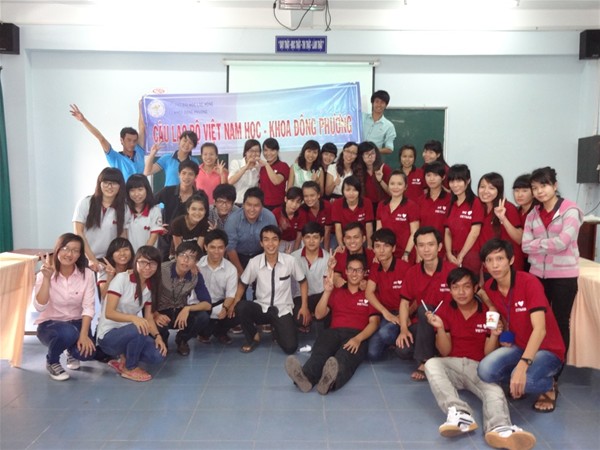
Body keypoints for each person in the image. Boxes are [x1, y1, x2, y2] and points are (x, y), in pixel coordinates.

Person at [424, 267, 536, 450]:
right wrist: (440, 328)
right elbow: (445, 352)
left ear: (476, 288)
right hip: (452, 365)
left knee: (495, 392)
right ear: (450, 290)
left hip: (479, 368)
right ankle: (460, 414)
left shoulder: (488, 313)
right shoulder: (444, 310)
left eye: (466, 286)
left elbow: (488, 355)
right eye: (455, 287)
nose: (461, 292)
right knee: (431, 364)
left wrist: (494, 335)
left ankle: (500, 428)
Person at [478, 238, 566, 414]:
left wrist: (522, 365)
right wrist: (501, 328)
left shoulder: (529, 282)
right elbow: (501, 310)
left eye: (500, 258)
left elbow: (540, 330)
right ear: (484, 265)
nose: (494, 265)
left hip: (547, 349)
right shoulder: (490, 287)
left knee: (528, 381)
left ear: (511, 260)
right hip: (519, 346)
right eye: (489, 260)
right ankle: (518, 379)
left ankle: (549, 385)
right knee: (484, 371)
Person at [285, 254, 380, 394]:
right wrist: (327, 292)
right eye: (351, 269)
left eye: (359, 270)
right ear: (346, 271)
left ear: (364, 273)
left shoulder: (370, 294)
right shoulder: (336, 292)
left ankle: (330, 382)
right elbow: (319, 314)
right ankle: (305, 378)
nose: (354, 274)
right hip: (334, 332)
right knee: (320, 353)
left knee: (344, 357)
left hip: (356, 334)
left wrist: (358, 339)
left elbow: (374, 322)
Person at [521, 167, 583, 381]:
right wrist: (546, 244)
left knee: (559, 321)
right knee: (537, 322)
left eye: (544, 185)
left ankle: (556, 372)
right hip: (537, 275)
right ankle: (536, 363)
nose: (540, 191)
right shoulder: (533, 213)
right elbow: (524, 245)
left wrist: (537, 243)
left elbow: (563, 242)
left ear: (555, 185)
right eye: (535, 187)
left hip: (564, 276)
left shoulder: (570, 210)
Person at [233, 225, 309, 354]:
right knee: (241, 307)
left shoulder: (290, 261)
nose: (270, 244)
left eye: (274, 239)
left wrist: (304, 306)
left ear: (279, 242)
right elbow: (243, 283)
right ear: (261, 243)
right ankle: (253, 337)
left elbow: (303, 282)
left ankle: (277, 329)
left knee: (290, 348)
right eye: (266, 239)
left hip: (282, 309)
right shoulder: (254, 262)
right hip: (261, 307)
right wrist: (235, 302)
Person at [97, 246, 166, 382]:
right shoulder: (122, 279)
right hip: (109, 336)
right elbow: (109, 313)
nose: (147, 267)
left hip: (130, 333)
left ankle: (123, 359)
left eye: (152, 263)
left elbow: (149, 318)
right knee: (139, 327)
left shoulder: (151, 286)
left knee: (157, 356)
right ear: (136, 262)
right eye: (143, 262)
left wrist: (158, 336)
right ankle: (130, 367)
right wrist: (134, 318)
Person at [397, 226, 456, 381]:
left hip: (446, 326)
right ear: (416, 248)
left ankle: (425, 361)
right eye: (421, 245)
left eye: (431, 244)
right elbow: (404, 303)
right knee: (403, 350)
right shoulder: (412, 272)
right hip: (423, 325)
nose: (426, 249)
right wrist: (403, 329)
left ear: (439, 247)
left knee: (425, 309)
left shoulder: (452, 271)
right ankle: (433, 352)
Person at [34, 233, 96, 381]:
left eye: (75, 250)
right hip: (50, 325)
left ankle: (71, 351)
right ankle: (52, 361)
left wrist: (84, 335)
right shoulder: (45, 273)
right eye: (65, 248)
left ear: (80, 255)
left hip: (77, 322)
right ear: (57, 249)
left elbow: (88, 307)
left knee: (86, 353)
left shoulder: (87, 274)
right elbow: (39, 307)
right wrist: (47, 279)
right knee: (68, 333)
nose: (69, 254)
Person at [153, 241, 212, 356]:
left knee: (203, 316)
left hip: (181, 310)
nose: (186, 260)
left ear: (196, 262)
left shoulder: (196, 276)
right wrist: (155, 314)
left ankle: (182, 339)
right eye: (182, 255)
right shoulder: (161, 270)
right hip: (160, 311)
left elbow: (207, 304)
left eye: (191, 257)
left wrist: (187, 309)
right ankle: (162, 339)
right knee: (155, 328)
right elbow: (146, 296)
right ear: (176, 256)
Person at [365, 228, 411, 361]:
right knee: (372, 354)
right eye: (377, 246)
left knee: (385, 333)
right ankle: (393, 340)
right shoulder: (375, 267)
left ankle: (400, 339)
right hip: (389, 314)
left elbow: (416, 297)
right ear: (373, 249)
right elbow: (369, 292)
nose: (381, 250)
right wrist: (385, 313)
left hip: (405, 313)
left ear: (393, 248)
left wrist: (405, 315)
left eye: (386, 246)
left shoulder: (405, 267)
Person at [69, 104, 145, 181]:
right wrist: (83, 120)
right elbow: (100, 138)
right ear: (122, 140)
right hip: (124, 189)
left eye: (134, 141)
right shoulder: (115, 158)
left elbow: (142, 129)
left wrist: (141, 107)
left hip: (142, 188)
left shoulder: (139, 151)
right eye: (129, 140)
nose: (132, 143)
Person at [73, 167, 129, 271]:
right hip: (84, 257)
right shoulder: (86, 202)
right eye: (106, 182)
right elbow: (78, 232)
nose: (109, 187)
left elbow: (122, 236)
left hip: (109, 260)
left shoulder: (124, 208)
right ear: (100, 183)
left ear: (120, 186)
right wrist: (91, 258)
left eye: (114, 183)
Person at [197, 229, 239, 344]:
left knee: (239, 310)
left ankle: (221, 332)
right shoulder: (197, 266)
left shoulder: (231, 269)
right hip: (201, 305)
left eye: (220, 247)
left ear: (225, 248)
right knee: (201, 319)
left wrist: (225, 308)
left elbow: (230, 295)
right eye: (212, 247)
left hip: (220, 304)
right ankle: (203, 333)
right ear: (205, 247)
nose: (216, 251)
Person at [477, 172, 525, 273]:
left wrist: (503, 218)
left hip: (509, 267)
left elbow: (519, 239)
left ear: (499, 190)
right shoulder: (479, 208)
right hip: (489, 266)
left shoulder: (508, 208)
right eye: (482, 187)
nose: (485, 191)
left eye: (491, 188)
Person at [224, 187, 277, 277]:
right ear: (243, 204)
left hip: (261, 255)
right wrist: (242, 274)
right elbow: (230, 248)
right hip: (238, 256)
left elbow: (273, 243)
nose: (252, 209)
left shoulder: (270, 218)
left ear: (262, 206)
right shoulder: (232, 220)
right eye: (249, 205)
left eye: (256, 205)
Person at [291, 222, 331, 334]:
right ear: (302, 239)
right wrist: (304, 306)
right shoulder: (293, 257)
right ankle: (306, 321)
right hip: (300, 297)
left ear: (321, 239)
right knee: (300, 319)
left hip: (320, 296)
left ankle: (327, 331)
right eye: (308, 237)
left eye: (315, 237)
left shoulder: (328, 258)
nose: (311, 241)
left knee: (331, 310)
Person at [154, 160, 199, 260]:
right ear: (179, 174)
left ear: (196, 176)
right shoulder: (167, 191)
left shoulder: (198, 197)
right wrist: (155, 224)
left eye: (190, 174)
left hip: (188, 241)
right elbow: (149, 204)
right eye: (184, 173)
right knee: (163, 267)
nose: (186, 177)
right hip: (166, 239)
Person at [444, 164, 483, 274]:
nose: (455, 185)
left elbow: (474, 232)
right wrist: (449, 253)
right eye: (452, 181)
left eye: (459, 181)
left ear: (468, 180)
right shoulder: (450, 204)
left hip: (470, 256)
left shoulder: (476, 202)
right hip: (452, 256)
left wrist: (461, 255)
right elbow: (447, 231)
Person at [376, 170, 419, 262]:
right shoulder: (381, 205)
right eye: (392, 183)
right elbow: (379, 231)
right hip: (386, 254)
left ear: (405, 186)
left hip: (405, 255)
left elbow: (414, 232)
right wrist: (378, 251)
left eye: (399, 184)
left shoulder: (411, 206)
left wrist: (406, 253)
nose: (395, 187)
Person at [331, 176, 374, 248]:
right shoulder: (337, 204)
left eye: (354, 190)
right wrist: (341, 245)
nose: (351, 193)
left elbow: (369, 226)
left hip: (361, 238)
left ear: (359, 191)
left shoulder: (367, 202)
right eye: (347, 190)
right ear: (343, 191)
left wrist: (369, 245)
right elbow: (338, 228)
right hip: (344, 237)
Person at [418, 161, 450, 256]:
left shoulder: (450, 199)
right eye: (428, 175)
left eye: (436, 175)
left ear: (443, 177)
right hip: (424, 249)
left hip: (444, 249)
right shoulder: (420, 200)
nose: (431, 179)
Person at [125, 174, 164, 253]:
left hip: (148, 255)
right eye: (132, 190)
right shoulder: (125, 210)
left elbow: (154, 236)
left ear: (147, 190)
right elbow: (124, 235)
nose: (136, 194)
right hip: (129, 255)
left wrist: (142, 255)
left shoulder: (155, 210)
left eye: (140, 189)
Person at [332, 222, 376, 289]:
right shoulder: (339, 255)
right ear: (344, 240)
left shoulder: (372, 255)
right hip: (345, 292)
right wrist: (337, 279)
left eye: (356, 237)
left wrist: (369, 284)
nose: (352, 241)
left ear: (364, 239)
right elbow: (336, 275)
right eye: (348, 238)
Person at [358, 141, 391, 213]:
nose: (370, 157)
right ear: (361, 156)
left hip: (384, 206)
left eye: (372, 153)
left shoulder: (384, 169)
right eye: (366, 154)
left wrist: (380, 181)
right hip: (365, 207)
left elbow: (391, 193)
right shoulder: (358, 171)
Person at [512, 173, 536, 272]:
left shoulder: (537, 212)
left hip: (534, 259)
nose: (519, 194)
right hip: (519, 258)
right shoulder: (515, 211)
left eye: (524, 190)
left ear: (533, 192)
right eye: (516, 190)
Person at [300, 180, 332, 250]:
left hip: (327, 236)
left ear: (318, 195)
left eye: (312, 195)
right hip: (311, 236)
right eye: (306, 196)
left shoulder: (327, 206)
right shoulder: (302, 209)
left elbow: (327, 231)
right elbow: (305, 232)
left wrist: (326, 252)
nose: (309, 199)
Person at [259, 137, 290, 210]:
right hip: (263, 206)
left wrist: (266, 164)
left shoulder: (283, 166)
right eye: (265, 150)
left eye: (272, 150)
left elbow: (276, 181)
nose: (268, 153)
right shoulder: (261, 168)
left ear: (277, 151)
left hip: (279, 206)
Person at [272, 186, 305, 253]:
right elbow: (272, 233)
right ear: (285, 199)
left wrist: (295, 252)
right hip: (280, 240)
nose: (294, 205)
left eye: (298, 202)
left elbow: (299, 235)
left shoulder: (302, 214)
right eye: (292, 201)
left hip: (294, 240)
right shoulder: (276, 212)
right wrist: (280, 229)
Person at [228, 139, 261, 205]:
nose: (254, 154)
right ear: (245, 152)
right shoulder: (236, 163)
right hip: (237, 203)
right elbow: (230, 182)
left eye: (257, 151)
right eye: (251, 151)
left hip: (251, 204)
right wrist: (246, 167)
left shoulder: (259, 167)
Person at [362, 90, 396, 155]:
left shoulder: (389, 126)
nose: (379, 105)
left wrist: (372, 151)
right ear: (372, 103)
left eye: (382, 102)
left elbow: (389, 149)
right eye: (377, 101)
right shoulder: (362, 117)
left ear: (386, 105)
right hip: (357, 157)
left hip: (373, 158)